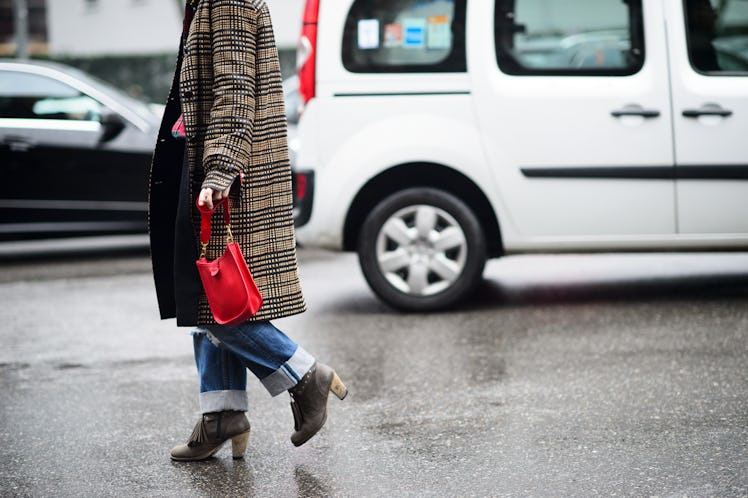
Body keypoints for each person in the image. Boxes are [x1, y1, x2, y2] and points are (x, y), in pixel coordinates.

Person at [148, 0, 347, 461]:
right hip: (210, 168)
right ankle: (222, 414)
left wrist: (220, 171)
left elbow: (236, 89)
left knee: (212, 299)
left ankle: (304, 375)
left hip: (228, 179)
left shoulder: (229, 1)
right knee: (208, 295)